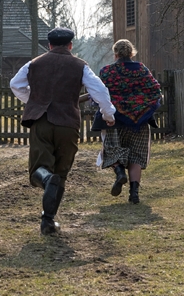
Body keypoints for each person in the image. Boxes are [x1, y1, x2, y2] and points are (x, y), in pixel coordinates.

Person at [10, 27, 116, 235]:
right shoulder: (80, 66)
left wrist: (36, 102)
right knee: (60, 173)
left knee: (39, 168)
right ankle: (48, 221)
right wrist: (108, 115)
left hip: (41, 121)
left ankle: (46, 183)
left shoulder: (34, 64)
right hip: (67, 123)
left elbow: (15, 84)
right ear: (70, 45)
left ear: (49, 45)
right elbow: (100, 91)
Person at [97, 39, 162, 205]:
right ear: (132, 53)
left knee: (112, 150)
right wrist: (144, 110)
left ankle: (120, 173)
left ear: (115, 54)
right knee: (136, 156)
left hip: (114, 120)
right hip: (139, 121)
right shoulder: (141, 69)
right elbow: (155, 91)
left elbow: (100, 94)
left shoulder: (107, 71)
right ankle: (134, 194)